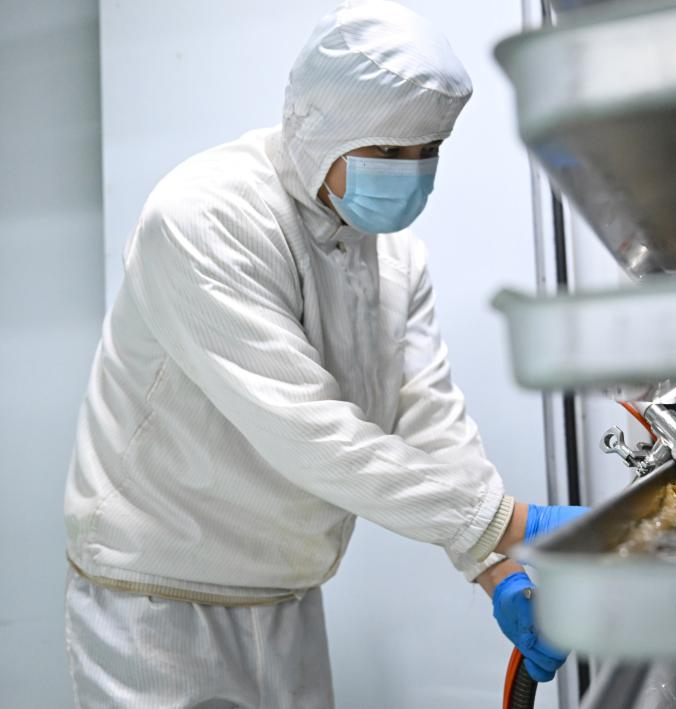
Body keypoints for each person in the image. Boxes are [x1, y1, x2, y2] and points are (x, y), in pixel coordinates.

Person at [62, 2, 587, 706]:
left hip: (287, 593)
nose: (413, 172)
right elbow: (308, 432)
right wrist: (510, 522)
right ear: (321, 128)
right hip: (158, 603)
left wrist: (497, 564)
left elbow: (428, 418)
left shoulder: (395, 257)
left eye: (429, 148)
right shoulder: (204, 218)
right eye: (389, 151)